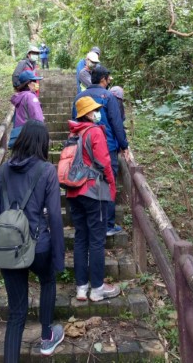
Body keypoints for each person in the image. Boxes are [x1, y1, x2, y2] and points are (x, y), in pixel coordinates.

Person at [0, 120, 65, 361]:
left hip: (8, 246)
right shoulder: (47, 171)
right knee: (48, 281)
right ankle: (46, 338)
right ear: (43, 144)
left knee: (16, 312)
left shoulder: (2, 171)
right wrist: (59, 255)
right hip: (39, 245)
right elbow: (54, 216)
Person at [65, 96, 120, 302]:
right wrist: (111, 187)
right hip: (93, 192)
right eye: (95, 110)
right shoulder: (94, 131)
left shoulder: (73, 134)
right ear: (88, 113)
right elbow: (105, 162)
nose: (98, 112)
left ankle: (81, 287)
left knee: (81, 239)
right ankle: (97, 289)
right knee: (97, 240)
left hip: (74, 193)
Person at [72, 66, 129, 236]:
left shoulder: (79, 96)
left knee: (86, 181)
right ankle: (108, 225)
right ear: (103, 79)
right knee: (108, 182)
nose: (109, 81)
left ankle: (89, 223)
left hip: (84, 147)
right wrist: (124, 145)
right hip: (107, 146)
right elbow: (116, 123)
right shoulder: (109, 96)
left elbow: (74, 122)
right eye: (108, 78)